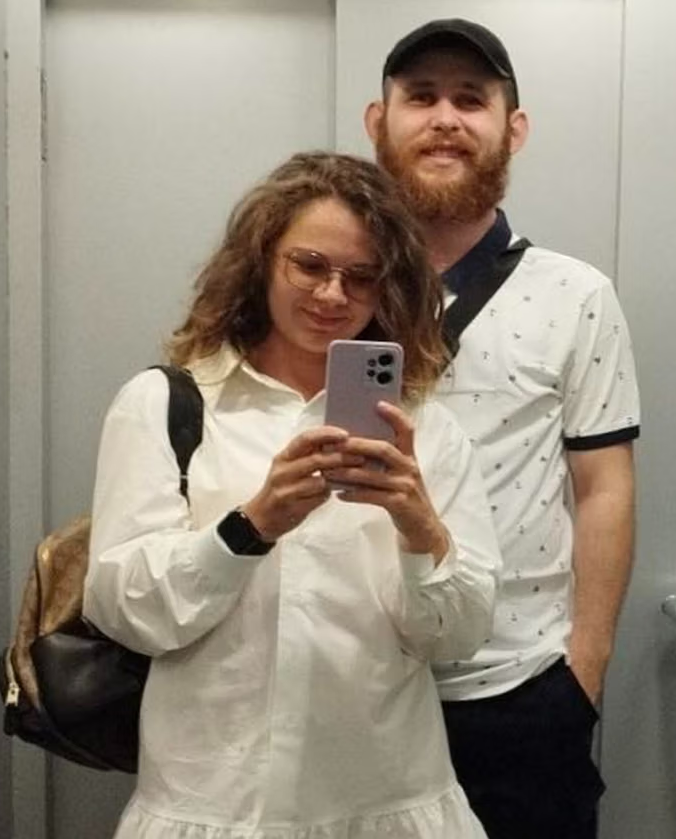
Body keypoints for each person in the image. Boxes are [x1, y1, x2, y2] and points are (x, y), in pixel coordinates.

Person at [83, 151, 500, 839]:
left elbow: (458, 637)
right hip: (214, 804)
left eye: (362, 276)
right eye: (309, 265)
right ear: (260, 262)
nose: (333, 295)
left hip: (386, 800)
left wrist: (419, 529)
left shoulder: (426, 431)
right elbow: (123, 610)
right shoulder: (167, 405)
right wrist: (249, 527)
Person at [364, 19, 641, 839]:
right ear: (378, 123)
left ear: (512, 128)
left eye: (470, 99)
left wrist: (584, 672)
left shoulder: (577, 295)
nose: (445, 119)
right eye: (421, 97)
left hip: (519, 694)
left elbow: (604, 488)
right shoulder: (328, 284)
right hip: (349, 682)